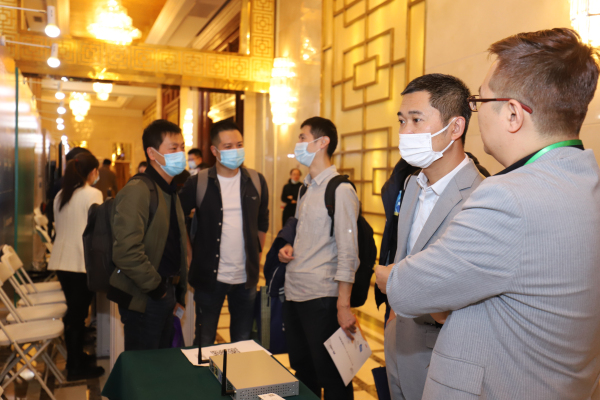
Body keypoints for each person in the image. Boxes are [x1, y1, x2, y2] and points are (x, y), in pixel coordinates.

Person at [375, 28, 600, 399]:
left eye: (480, 100)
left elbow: (410, 289)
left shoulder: (507, 196)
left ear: (512, 114)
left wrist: (389, 276)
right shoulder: (585, 180)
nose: (475, 112)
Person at [382, 74, 486, 400]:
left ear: (455, 128)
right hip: (398, 342)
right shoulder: (412, 184)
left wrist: (395, 283)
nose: (405, 132)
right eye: (402, 120)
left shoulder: (482, 197)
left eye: (416, 120)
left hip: (444, 354)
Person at [278, 116, 359, 399]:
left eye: (302, 137)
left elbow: (349, 252)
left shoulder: (341, 190)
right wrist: (288, 247)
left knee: (334, 377)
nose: (298, 143)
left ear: (322, 142)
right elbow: (302, 232)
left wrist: (343, 305)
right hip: (295, 292)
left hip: (322, 299)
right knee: (303, 371)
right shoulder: (305, 188)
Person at [179, 120, 269, 347]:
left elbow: (262, 222)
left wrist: (256, 255)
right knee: (204, 340)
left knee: (242, 341)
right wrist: (190, 254)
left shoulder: (256, 181)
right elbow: (177, 219)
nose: (235, 150)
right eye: (228, 146)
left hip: (245, 279)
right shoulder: (198, 182)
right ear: (215, 150)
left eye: (239, 144)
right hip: (209, 277)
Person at [110, 119, 189, 351]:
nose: (180, 154)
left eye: (182, 147)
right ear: (152, 153)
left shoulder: (170, 191)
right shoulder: (138, 191)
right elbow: (126, 252)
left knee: (161, 364)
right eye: (173, 148)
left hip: (165, 292)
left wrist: (177, 292)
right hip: (145, 297)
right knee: (143, 365)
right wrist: (158, 290)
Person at [47, 152, 104, 381]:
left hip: (61, 261)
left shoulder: (61, 195)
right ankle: (74, 367)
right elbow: (99, 228)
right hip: (81, 262)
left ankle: (77, 357)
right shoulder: (93, 194)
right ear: (92, 172)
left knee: (74, 312)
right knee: (78, 315)